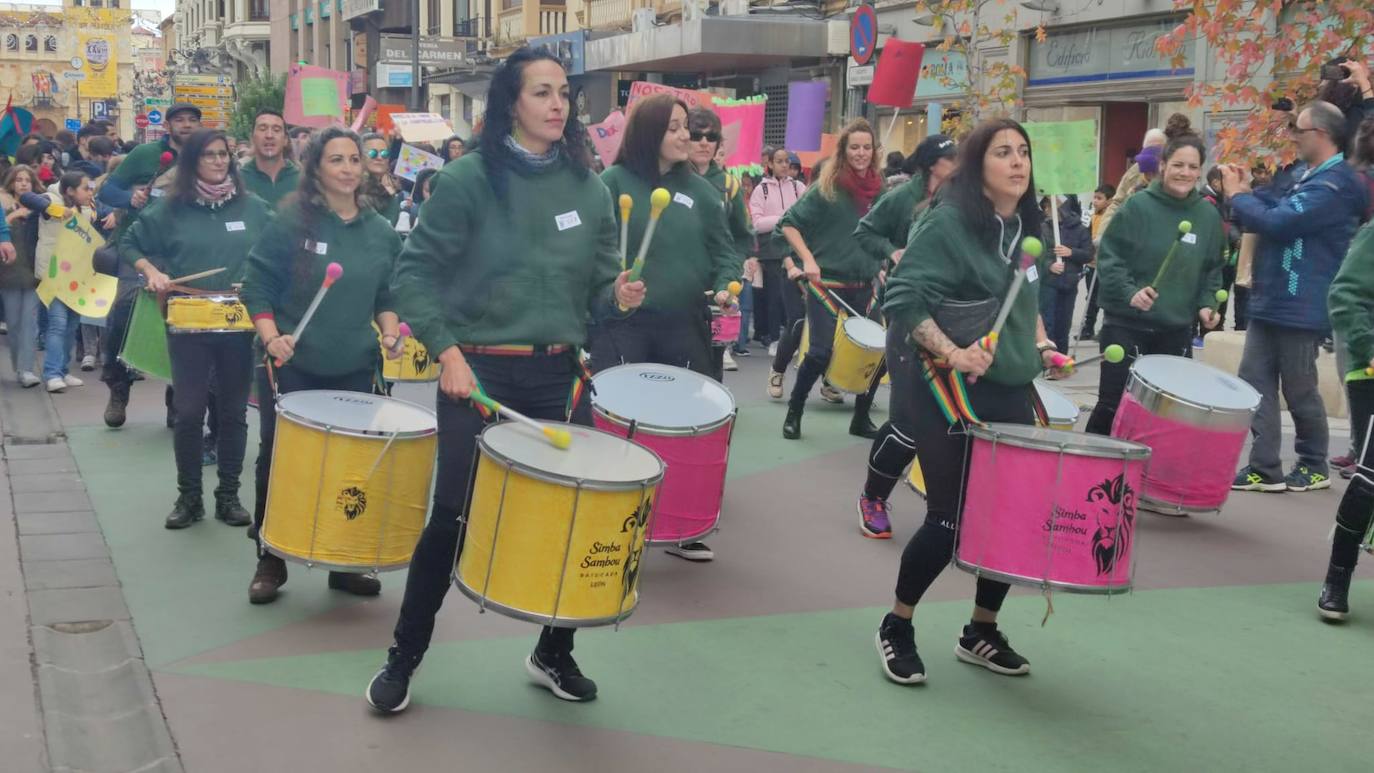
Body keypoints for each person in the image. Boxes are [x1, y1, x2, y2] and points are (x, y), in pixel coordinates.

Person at [364, 48, 646, 713]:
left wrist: (619, 294)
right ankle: (403, 655)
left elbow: (598, 289)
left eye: (563, 94)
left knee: (575, 517)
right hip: (479, 371)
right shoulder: (466, 180)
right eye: (541, 92)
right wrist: (448, 352)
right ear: (510, 103)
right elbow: (413, 276)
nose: (557, 105)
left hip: (559, 374)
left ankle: (554, 649)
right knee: (452, 517)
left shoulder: (589, 186)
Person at [874, 118, 1069, 684]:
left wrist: (1041, 347)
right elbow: (904, 298)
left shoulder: (1022, 226)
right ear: (977, 164)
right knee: (950, 516)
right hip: (944, 388)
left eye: (1024, 152)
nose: (1018, 162)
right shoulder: (951, 222)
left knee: (1008, 517)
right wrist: (954, 352)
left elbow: (1022, 306)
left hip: (1007, 385)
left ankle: (980, 630)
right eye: (1003, 152)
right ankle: (897, 625)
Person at [240, 126, 403, 604]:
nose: (349, 168)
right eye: (337, 160)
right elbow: (257, 285)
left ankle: (344, 561)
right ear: (316, 168)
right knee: (281, 461)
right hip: (293, 365)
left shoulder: (379, 231)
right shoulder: (291, 222)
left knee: (351, 469)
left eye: (355, 159)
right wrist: (272, 338)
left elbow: (387, 294)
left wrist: (390, 332)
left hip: (354, 366)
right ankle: (270, 558)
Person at [119, 129, 273, 529]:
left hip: (238, 324)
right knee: (188, 413)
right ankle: (189, 498)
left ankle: (228, 496)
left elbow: (279, 249)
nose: (220, 161)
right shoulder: (170, 209)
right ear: (192, 162)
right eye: (210, 155)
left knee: (233, 412)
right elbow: (129, 243)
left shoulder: (253, 207)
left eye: (224, 154)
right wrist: (152, 272)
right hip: (187, 321)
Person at [1224, 101, 1369, 493]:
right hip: (1271, 298)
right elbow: (1274, 205)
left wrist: (1239, 197)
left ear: (1321, 134)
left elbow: (1282, 221)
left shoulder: (1337, 184)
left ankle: (1312, 462)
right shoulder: (1304, 175)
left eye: (1298, 130)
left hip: (1303, 302)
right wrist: (1246, 191)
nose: (1292, 137)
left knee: (1299, 387)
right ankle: (1264, 466)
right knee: (1253, 381)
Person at [852, 133, 957, 538]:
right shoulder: (903, 198)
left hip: (954, 325)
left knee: (951, 422)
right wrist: (891, 252)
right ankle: (872, 497)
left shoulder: (966, 202)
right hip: (908, 317)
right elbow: (865, 232)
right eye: (953, 159)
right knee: (907, 423)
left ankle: (947, 509)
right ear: (932, 163)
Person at [591, 94, 738, 382]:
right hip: (623, 326)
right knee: (621, 417)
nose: (685, 136)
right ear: (648, 133)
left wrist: (724, 287)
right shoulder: (612, 181)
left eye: (686, 127)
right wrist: (612, 293)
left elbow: (725, 252)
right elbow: (593, 254)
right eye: (674, 129)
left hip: (685, 327)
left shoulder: (703, 192)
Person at [1085, 134, 1225, 435]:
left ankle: (1150, 477)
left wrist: (1207, 303)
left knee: (1164, 417)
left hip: (1175, 331)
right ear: (1162, 166)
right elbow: (1109, 259)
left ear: (1200, 170)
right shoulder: (1137, 206)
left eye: (1192, 166)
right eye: (1177, 165)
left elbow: (1212, 269)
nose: (1184, 172)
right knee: (1113, 407)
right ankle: (1093, 473)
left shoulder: (1207, 215)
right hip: (1126, 326)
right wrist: (1130, 292)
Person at [776, 118, 885, 440]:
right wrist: (807, 260)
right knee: (820, 352)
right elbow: (788, 223)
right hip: (828, 285)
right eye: (855, 147)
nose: (861, 153)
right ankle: (795, 410)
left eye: (866, 147)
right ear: (844, 150)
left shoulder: (882, 189)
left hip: (865, 286)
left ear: (874, 151)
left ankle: (861, 417)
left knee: (879, 353)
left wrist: (885, 256)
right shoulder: (828, 187)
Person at [98, 102, 202, 429]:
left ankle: (177, 399)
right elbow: (109, 189)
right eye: (179, 120)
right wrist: (129, 199)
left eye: (192, 121)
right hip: (138, 248)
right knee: (123, 313)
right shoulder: (144, 155)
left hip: (184, 252)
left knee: (182, 325)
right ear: (168, 125)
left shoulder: (206, 157)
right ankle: (118, 385)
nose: (185, 126)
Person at [1319, 199, 1374, 621]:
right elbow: (1346, 293)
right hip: (1371, 372)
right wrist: (1369, 348)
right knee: (1370, 481)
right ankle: (1337, 577)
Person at [685, 105, 753, 377]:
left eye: (711, 137)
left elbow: (743, 237)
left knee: (712, 364)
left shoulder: (729, 185)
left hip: (717, 287)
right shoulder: (668, 179)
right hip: (677, 287)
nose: (703, 142)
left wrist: (730, 274)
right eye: (696, 135)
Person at [22, 172, 99, 392]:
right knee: (58, 323)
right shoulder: (51, 199)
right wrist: (53, 209)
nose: (90, 192)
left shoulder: (87, 206)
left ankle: (63, 371)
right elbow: (28, 197)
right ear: (70, 191)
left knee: (72, 324)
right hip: (53, 273)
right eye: (86, 188)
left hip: (78, 274)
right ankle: (52, 374)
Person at [751, 146, 807, 370]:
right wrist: (784, 218)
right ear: (770, 164)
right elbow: (757, 223)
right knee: (774, 296)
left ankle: (797, 339)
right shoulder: (761, 190)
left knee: (797, 297)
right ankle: (775, 338)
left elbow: (808, 214)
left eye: (788, 162)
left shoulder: (799, 187)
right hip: (772, 250)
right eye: (780, 161)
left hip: (799, 248)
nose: (785, 166)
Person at [1038, 194, 1093, 357]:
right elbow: (1037, 254)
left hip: (1069, 283)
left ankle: (1062, 359)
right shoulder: (1043, 228)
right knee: (1048, 323)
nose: (1046, 210)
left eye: (1050, 206)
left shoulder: (1080, 229)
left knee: (1064, 323)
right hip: (1048, 284)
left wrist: (1071, 252)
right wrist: (1049, 265)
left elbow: (1089, 254)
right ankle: (1047, 359)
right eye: (1046, 206)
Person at [0, 166, 36, 386]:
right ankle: (18, 365)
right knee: (13, 324)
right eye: (19, 180)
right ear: (11, 183)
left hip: (34, 274)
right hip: (9, 274)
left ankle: (26, 370)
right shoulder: (3, 207)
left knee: (29, 323)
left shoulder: (40, 207)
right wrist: (12, 216)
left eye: (28, 180)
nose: (23, 184)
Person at [1098, 127, 1166, 237]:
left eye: (1158, 149)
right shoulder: (1135, 171)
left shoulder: (1172, 171)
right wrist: (1102, 236)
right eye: (1149, 149)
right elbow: (1117, 203)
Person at [1201, 166, 1241, 338]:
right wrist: (1235, 238)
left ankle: (1215, 328)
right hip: (1213, 256)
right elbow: (1222, 225)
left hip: (1225, 255)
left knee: (1221, 292)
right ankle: (1206, 332)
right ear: (1216, 182)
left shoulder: (1222, 199)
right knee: (1212, 291)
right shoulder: (1207, 201)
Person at [240, 110, 301, 208]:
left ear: (285, 140)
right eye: (262, 129)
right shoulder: (237, 181)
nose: (269, 135)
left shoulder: (303, 181)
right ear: (252, 138)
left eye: (276, 130)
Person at [1079, 182, 1115, 340]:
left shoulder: (1112, 217)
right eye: (1094, 197)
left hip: (1105, 265)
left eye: (1099, 198)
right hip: (1092, 263)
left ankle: (1106, 329)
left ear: (1109, 201)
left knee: (1106, 297)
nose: (1095, 201)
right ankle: (1088, 328)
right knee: (1091, 297)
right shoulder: (1092, 216)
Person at [360, 133, 405, 228]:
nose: (380, 157)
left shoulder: (392, 191)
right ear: (360, 156)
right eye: (373, 153)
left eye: (384, 153)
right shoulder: (352, 191)